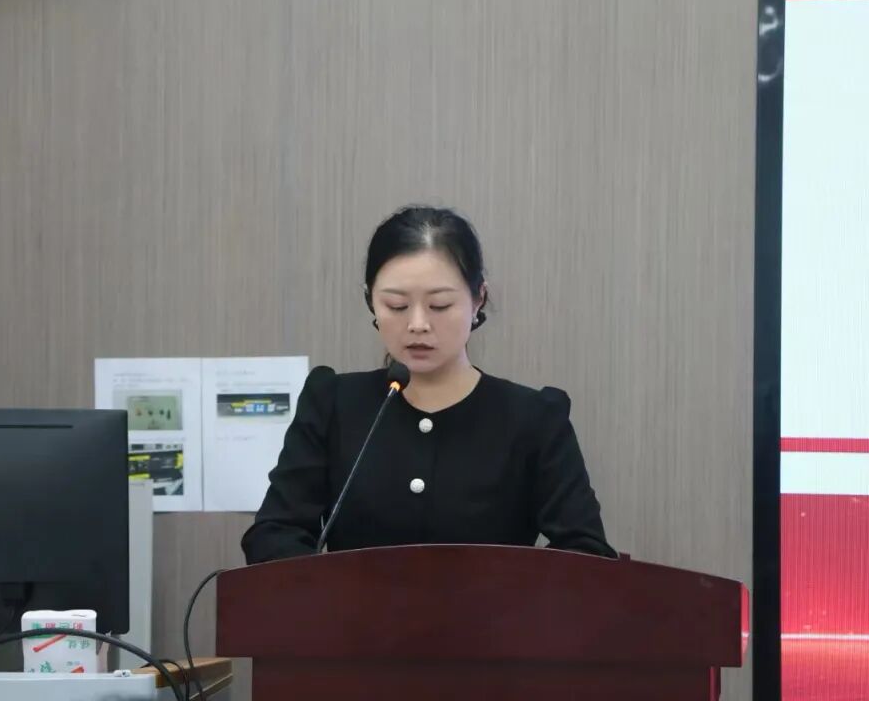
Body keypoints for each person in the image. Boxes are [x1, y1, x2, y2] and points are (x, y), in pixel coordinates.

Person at [241, 205, 616, 563]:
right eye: (396, 306)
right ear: (371, 301)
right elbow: (276, 532)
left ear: (478, 299)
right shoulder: (333, 403)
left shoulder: (534, 419)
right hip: (351, 611)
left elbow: (585, 552)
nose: (417, 324)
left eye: (439, 305)